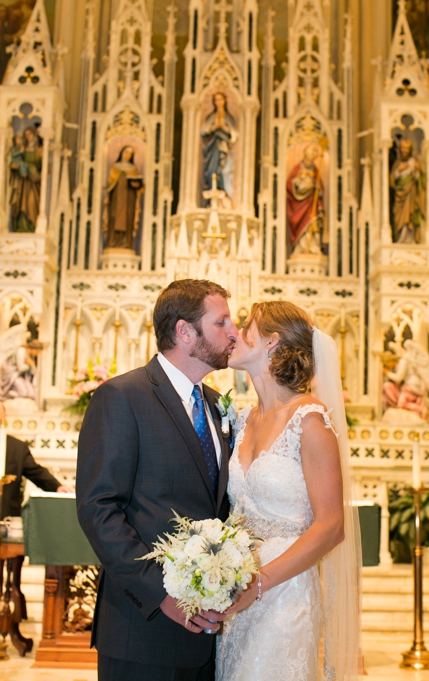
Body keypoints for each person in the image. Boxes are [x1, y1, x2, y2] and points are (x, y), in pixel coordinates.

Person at [76, 279, 238, 681]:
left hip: (208, 634)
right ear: (185, 332)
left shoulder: (218, 406)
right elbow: (99, 509)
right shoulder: (121, 397)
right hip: (143, 629)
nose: (234, 332)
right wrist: (163, 594)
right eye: (222, 323)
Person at [218, 300, 361, 681]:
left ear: (272, 343)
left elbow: (332, 527)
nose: (234, 332)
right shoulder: (244, 418)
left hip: (284, 591)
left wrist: (260, 583)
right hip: (237, 583)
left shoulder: (309, 421)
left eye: (247, 325)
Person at [1, 402, 70, 520]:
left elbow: (36, 472)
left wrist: (57, 486)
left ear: (4, 415)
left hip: (6, 516)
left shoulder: (17, 447)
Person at [286, 142, 326, 256]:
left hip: (311, 205)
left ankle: (313, 247)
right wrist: (300, 182)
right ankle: (300, 248)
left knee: (314, 224)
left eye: (315, 151)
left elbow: (320, 188)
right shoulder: (297, 168)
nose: (313, 153)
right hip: (298, 205)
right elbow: (289, 185)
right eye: (311, 150)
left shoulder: (316, 171)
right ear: (304, 151)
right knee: (300, 225)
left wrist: (317, 187)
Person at [103, 145, 144, 250]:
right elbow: (109, 185)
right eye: (126, 153)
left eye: (130, 154)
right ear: (121, 153)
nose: (127, 155)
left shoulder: (133, 169)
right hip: (116, 199)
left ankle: (126, 242)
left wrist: (136, 185)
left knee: (127, 221)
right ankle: (112, 241)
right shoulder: (115, 167)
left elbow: (140, 188)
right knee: (114, 218)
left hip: (129, 200)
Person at [201, 92, 238, 202]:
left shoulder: (228, 118)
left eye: (220, 99)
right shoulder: (212, 117)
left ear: (225, 101)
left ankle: (225, 196)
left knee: (224, 171)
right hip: (213, 149)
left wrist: (223, 129)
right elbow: (203, 131)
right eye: (216, 99)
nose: (218, 102)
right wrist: (214, 127)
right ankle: (210, 199)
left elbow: (234, 135)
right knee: (212, 171)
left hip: (225, 150)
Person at [389, 137, 424, 243]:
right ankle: (400, 238)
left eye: (407, 148)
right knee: (399, 217)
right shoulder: (397, 163)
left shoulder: (413, 162)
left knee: (410, 216)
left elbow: (419, 180)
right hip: (400, 195)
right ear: (399, 149)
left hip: (410, 195)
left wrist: (418, 170)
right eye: (403, 148)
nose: (405, 151)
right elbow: (392, 180)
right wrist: (399, 171)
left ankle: (410, 238)